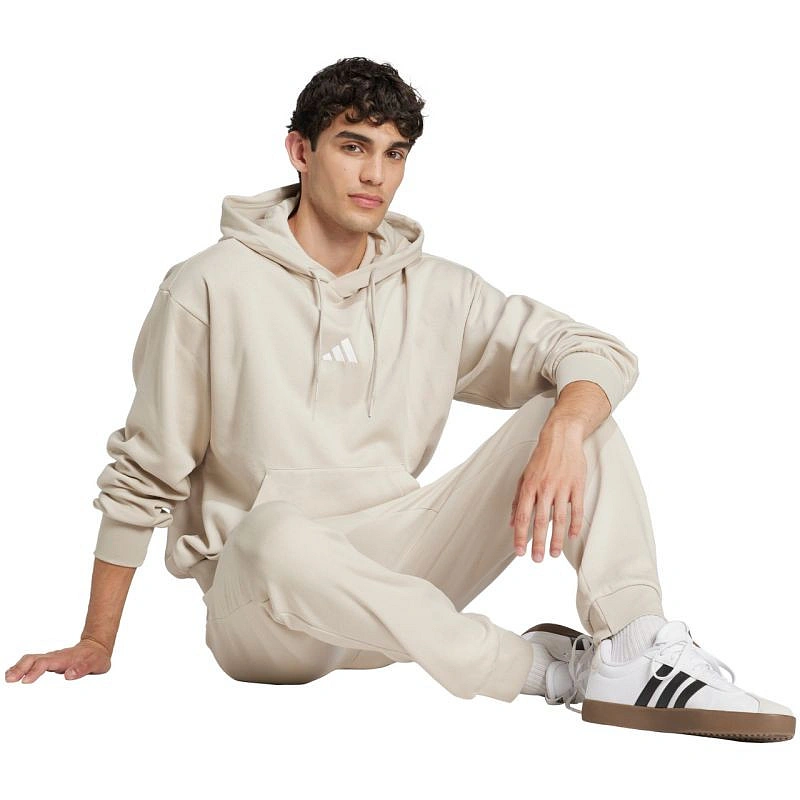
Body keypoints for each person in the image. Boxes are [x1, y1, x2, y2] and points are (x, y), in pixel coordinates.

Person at [6, 56, 794, 743]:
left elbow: (596, 351)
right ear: (301, 150)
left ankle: (634, 648)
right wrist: (97, 640)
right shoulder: (207, 287)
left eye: (394, 153)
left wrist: (563, 427)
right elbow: (145, 471)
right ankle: (541, 672)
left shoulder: (436, 289)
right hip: (269, 613)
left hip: (401, 578)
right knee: (274, 536)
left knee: (575, 413)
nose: (375, 175)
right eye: (353, 146)